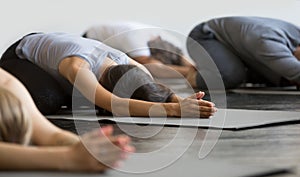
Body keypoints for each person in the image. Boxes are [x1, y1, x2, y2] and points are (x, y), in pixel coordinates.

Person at [0, 32, 216, 117]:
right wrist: (174, 110)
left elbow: (150, 88)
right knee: (50, 100)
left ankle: (88, 93)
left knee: (86, 99)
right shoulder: (78, 67)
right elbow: (114, 103)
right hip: (20, 56)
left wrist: (183, 101)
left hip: (61, 58)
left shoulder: (134, 66)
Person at [0, 68, 134, 171]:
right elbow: (116, 104)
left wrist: (89, 148)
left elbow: (51, 135)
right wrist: (68, 157)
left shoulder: (8, 85)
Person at [186, 16, 300, 90]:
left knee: (282, 78)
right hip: (205, 36)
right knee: (231, 77)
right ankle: (194, 77)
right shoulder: (267, 41)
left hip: (243, 46)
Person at [83, 21, 196, 78]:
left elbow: (181, 58)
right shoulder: (135, 39)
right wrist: (191, 73)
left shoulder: (170, 40)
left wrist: (195, 68)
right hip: (92, 39)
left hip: (120, 38)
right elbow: (155, 68)